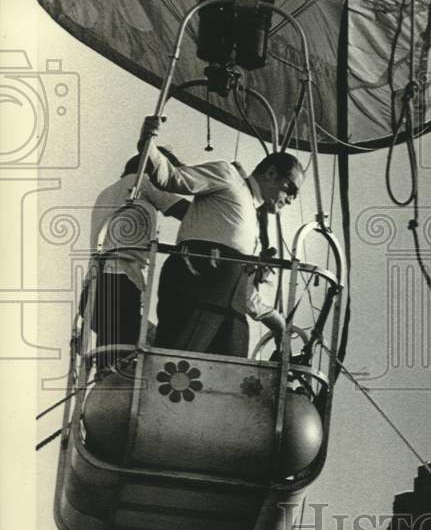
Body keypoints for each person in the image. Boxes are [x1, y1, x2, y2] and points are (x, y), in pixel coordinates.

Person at [138, 116, 305, 358]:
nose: (290, 200)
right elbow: (172, 178)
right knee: (175, 367)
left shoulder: (253, 224)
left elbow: (241, 286)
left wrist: (275, 320)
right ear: (270, 173)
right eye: (290, 190)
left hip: (229, 301)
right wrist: (148, 142)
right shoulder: (227, 176)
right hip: (197, 282)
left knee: (231, 377)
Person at [85, 149, 189, 370]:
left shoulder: (107, 192)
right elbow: (184, 210)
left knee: (117, 352)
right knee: (120, 360)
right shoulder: (140, 181)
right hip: (120, 281)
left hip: (96, 285)